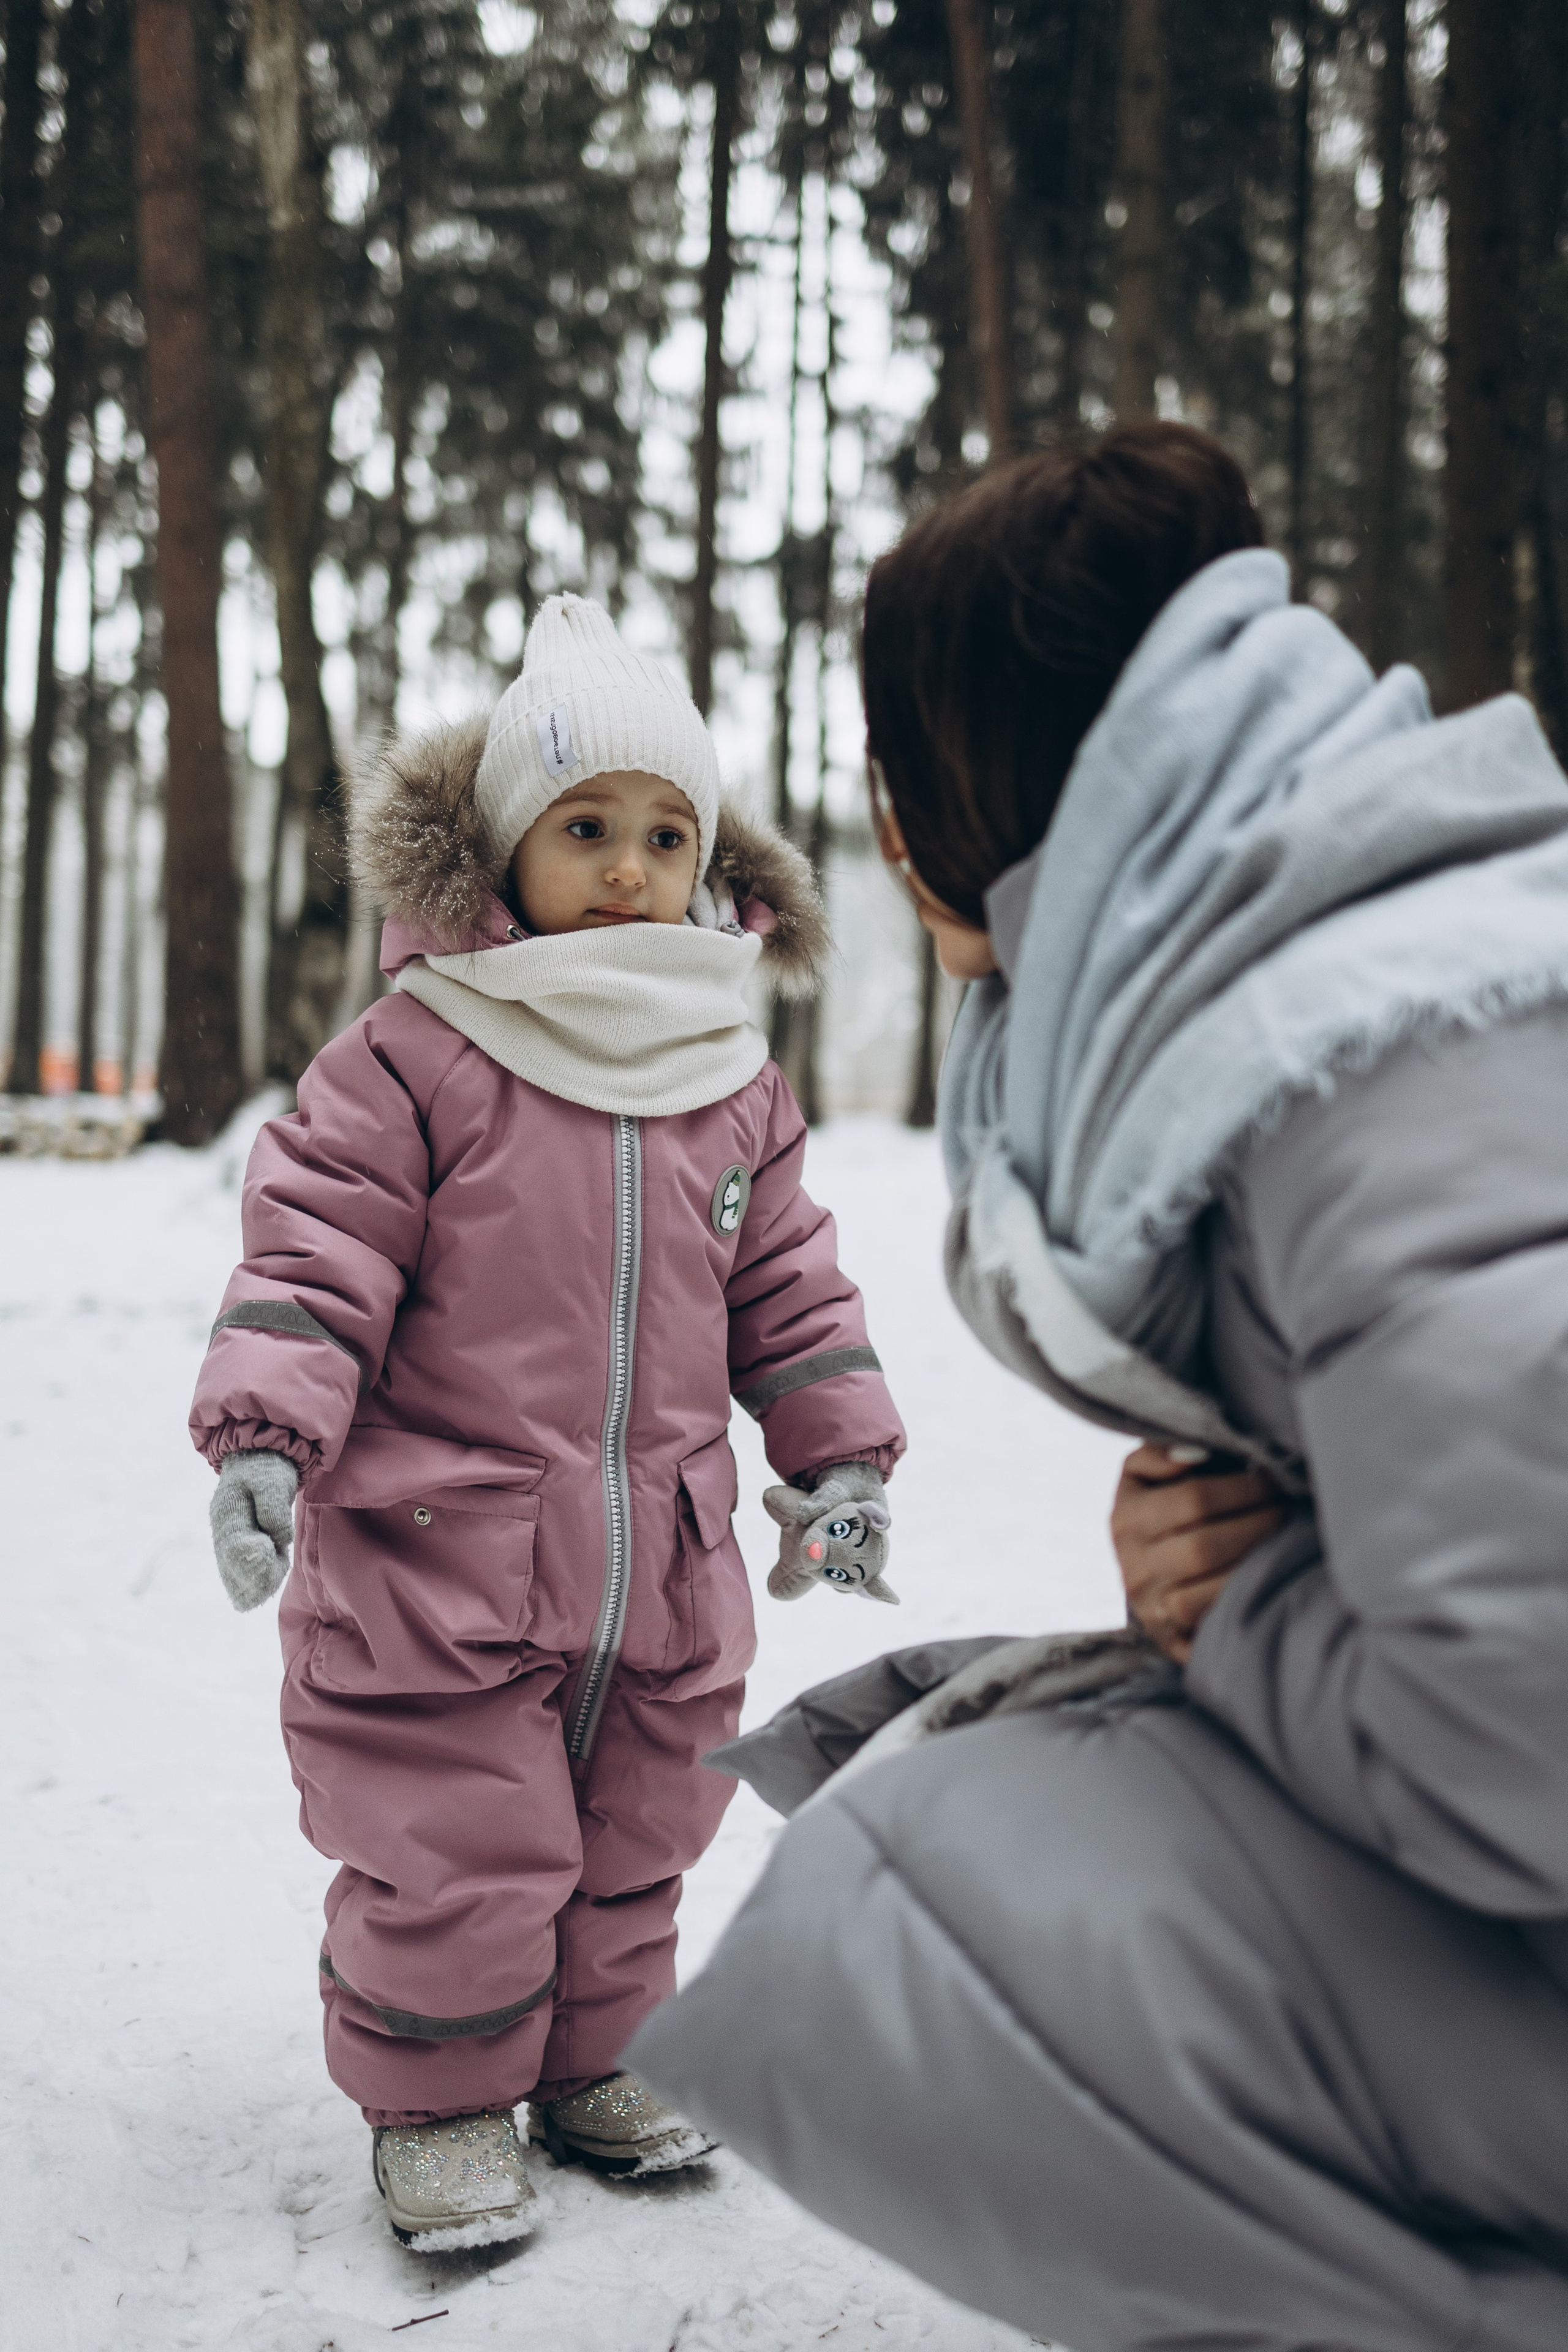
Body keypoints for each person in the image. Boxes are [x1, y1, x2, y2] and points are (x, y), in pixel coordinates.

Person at [629, 423, 1568, 2351]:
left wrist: (1236, 1613)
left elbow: (1529, 1746)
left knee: (923, 1903)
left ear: (923, 816)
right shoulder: (1376, 961)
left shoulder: (1369, 1078)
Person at [187, 595, 905, 2250]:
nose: (633, 868)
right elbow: (319, 1255)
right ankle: (439, 2100)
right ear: (507, 852)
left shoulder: (729, 1075)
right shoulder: (420, 1056)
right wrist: (263, 1439)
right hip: (443, 1557)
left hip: (660, 1562)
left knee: (636, 1832)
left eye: (670, 832)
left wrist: (842, 1459)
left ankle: (596, 2063)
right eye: (587, 828)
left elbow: (792, 1292)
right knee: (456, 1843)